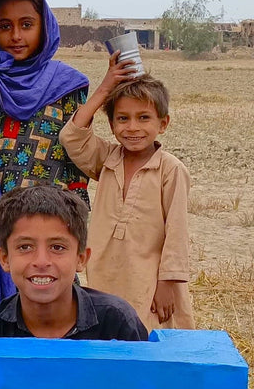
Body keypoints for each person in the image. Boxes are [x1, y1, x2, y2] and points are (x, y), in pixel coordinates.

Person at [0, 0, 90, 315]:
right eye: (4, 26)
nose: (16, 35)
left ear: (45, 27)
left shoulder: (67, 84)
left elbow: (77, 157)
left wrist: (79, 213)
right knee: (8, 306)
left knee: (59, 300)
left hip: (57, 214)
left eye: (26, 25)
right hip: (6, 217)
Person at [60, 64, 194, 331]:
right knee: (112, 334)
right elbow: (71, 136)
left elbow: (177, 230)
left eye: (144, 118)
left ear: (163, 123)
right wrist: (105, 88)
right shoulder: (107, 159)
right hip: (107, 272)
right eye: (123, 118)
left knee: (150, 337)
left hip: (151, 279)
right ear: (111, 125)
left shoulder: (170, 169)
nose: (133, 128)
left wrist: (167, 283)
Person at [0, 186, 147, 340]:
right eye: (25, 247)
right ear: (4, 258)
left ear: (81, 258)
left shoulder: (116, 324)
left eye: (57, 247)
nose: (41, 262)